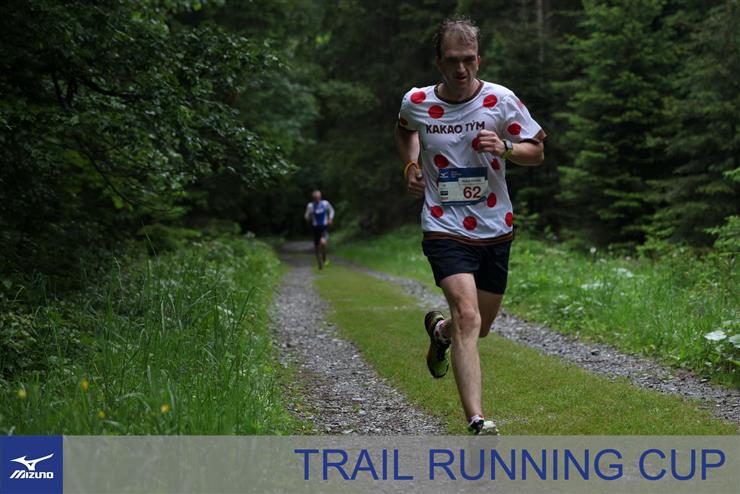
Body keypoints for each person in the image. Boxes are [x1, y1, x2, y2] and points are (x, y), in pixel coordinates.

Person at [395, 18, 546, 435]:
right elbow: (404, 131)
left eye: (468, 60)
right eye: (452, 61)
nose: (460, 69)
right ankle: (477, 420)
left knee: (479, 326)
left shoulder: (501, 100)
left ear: (478, 59)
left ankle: (440, 333)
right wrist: (410, 165)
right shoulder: (418, 101)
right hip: (443, 224)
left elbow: (537, 152)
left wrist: (506, 146)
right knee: (467, 314)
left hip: (495, 227)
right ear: (438, 62)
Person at [304, 190, 335, 269]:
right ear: (313, 199)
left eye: (319, 198)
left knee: (323, 243)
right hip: (315, 228)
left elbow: (332, 210)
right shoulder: (310, 206)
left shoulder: (325, 203)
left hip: (324, 226)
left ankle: (324, 256)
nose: (317, 200)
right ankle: (319, 262)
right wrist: (309, 216)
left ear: (320, 197)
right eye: (316, 198)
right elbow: (306, 217)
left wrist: (330, 218)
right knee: (317, 246)